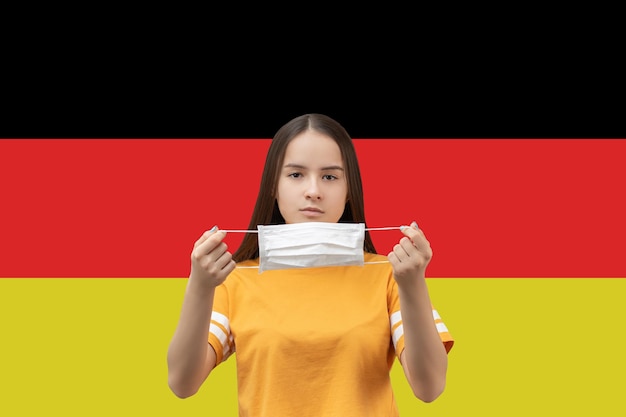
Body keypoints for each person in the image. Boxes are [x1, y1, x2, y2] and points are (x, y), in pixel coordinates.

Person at [167, 113, 454, 416]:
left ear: (348, 191)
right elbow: (182, 384)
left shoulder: (388, 275)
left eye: (330, 176)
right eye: (296, 175)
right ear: (273, 187)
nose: (313, 190)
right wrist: (199, 286)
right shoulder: (234, 281)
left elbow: (429, 388)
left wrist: (413, 284)